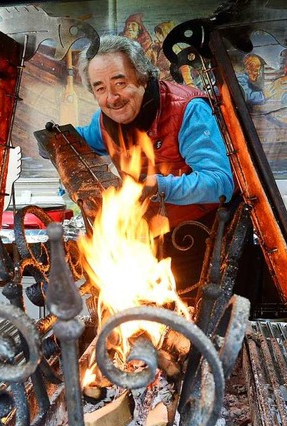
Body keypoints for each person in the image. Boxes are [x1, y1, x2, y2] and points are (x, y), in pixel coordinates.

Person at [76, 35, 234, 299]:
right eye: (99, 88)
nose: (111, 97)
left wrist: (159, 186)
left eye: (120, 82)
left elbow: (221, 183)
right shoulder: (103, 121)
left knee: (191, 330)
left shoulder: (189, 110)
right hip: (144, 242)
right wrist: (57, 141)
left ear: (142, 77)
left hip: (201, 240)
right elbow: (80, 140)